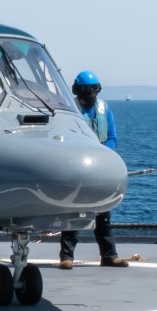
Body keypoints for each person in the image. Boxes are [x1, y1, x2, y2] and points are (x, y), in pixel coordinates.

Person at [59, 70, 128, 269]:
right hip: (77, 166)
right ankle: (66, 257)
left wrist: (104, 154)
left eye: (93, 91)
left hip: (101, 166)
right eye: (86, 91)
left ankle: (109, 255)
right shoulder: (70, 110)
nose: (90, 95)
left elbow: (112, 136)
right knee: (73, 213)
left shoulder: (104, 108)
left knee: (103, 214)